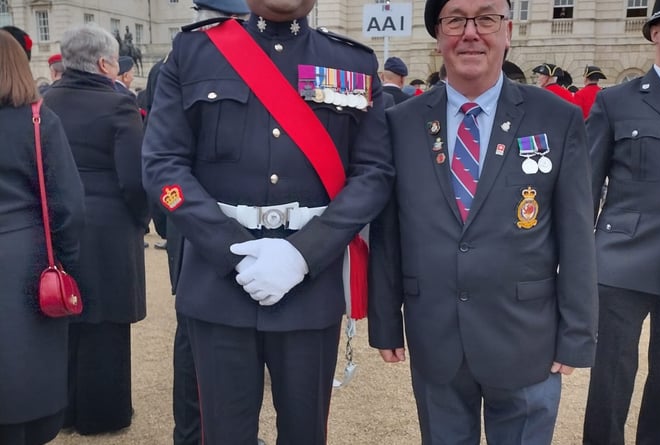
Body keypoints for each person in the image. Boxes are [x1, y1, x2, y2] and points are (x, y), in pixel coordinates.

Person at [142, 0, 394, 441]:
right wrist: (231, 250)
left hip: (309, 286)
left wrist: (303, 254)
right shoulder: (193, 52)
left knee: (305, 433)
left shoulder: (352, 62)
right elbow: (163, 165)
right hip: (218, 285)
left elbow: (373, 175)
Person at [368, 0, 598, 443]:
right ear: (439, 35)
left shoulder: (557, 117)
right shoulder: (401, 122)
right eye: (456, 19)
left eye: (486, 18)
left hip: (526, 337)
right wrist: (384, 320)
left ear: (508, 31)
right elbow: (388, 231)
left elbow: (575, 234)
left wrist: (577, 333)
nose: (471, 32)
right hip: (434, 334)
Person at [42, 23, 148, 435]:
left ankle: (63, 411)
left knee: (62, 318)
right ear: (105, 62)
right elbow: (135, 179)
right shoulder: (117, 105)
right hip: (108, 225)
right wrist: (141, 219)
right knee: (106, 324)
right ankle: (104, 414)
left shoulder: (44, 102)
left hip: (55, 223)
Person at [582, 1, 660, 444]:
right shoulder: (617, 100)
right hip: (622, 256)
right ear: (655, 31)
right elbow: (585, 186)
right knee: (612, 375)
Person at [0, 29, 85, 445]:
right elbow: (68, 203)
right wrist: (67, 259)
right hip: (27, 255)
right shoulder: (38, 120)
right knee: (29, 365)